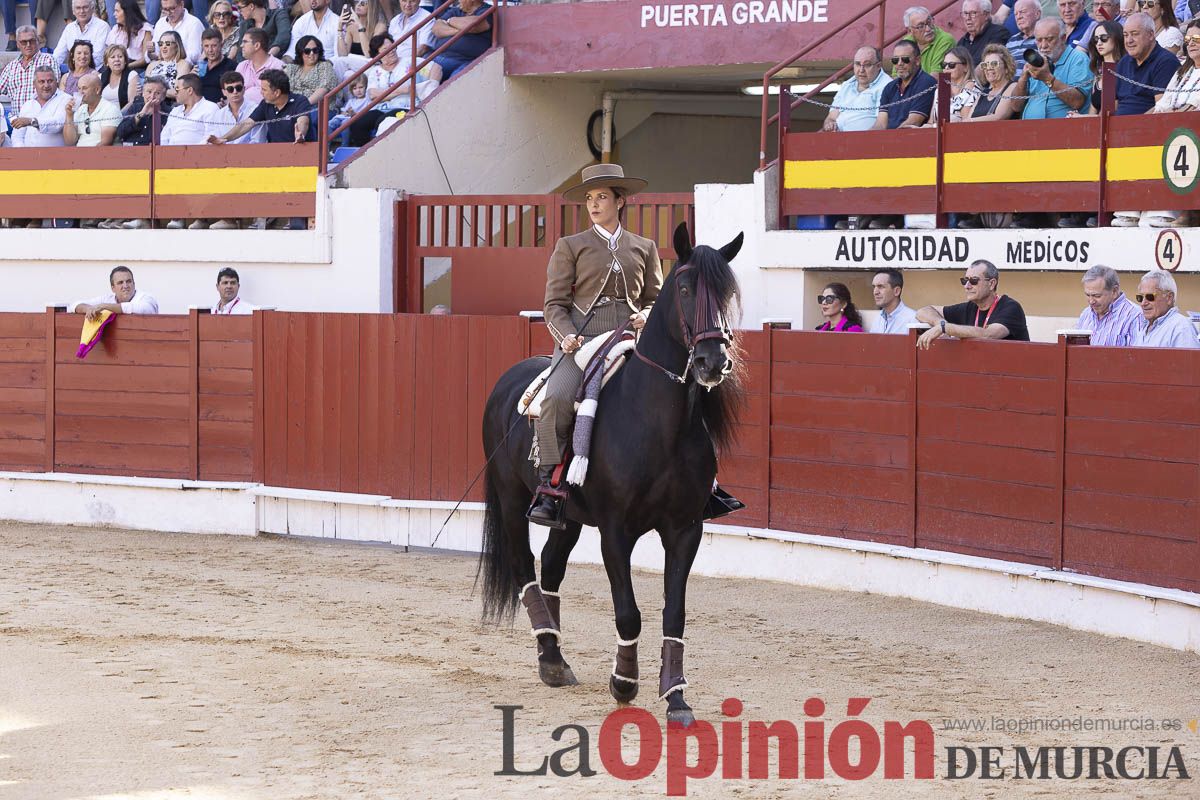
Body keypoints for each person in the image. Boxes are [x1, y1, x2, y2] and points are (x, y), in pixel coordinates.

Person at [527, 163, 661, 527]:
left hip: (629, 336)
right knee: (556, 398)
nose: (594, 204)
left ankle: (702, 483)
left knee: (679, 388)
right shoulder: (570, 245)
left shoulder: (644, 247)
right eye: (589, 198)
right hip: (582, 340)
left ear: (620, 201)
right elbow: (554, 303)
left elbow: (655, 298)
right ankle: (549, 486)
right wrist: (566, 335)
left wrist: (646, 316)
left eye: (602, 197)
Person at [915, 259, 1029, 347]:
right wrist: (940, 323)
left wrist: (945, 328)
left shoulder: (1010, 307)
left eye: (974, 281)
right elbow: (923, 311)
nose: (967, 286)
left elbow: (989, 334)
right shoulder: (969, 307)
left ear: (992, 284)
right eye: (965, 281)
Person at [113, 77, 172, 228]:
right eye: (149, 92)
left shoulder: (169, 112)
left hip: (158, 158)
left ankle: (143, 218)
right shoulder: (135, 107)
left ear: (164, 96)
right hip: (132, 154)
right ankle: (120, 217)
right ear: (143, 93)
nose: (152, 96)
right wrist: (141, 114)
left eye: (157, 93)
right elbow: (121, 132)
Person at [1018, 17, 1090, 119]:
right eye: (1039, 40)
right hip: (1030, 130)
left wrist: (1047, 78)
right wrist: (1023, 78)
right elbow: (1016, 106)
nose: (1043, 46)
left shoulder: (1078, 58)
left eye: (1049, 39)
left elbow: (1077, 102)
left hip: (1065, 129)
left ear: (1063, 38)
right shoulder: (1035, 61)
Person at [873, 40, 937, 130]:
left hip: (913, 140)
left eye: (905, 59)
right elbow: (880, 124)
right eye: (895, 60)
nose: (899, 63)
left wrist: (890, 140)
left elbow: (914, 122)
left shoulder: (926, 83)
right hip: (889, 139)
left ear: (917, 60)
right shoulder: (889, 87)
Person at [822, 46, 889, 132]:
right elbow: (830, 118)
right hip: (839, 140)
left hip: (866, 142)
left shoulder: (887, 86)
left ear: (878, 66)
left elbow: (881, 125)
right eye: (857, 64)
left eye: (867, 65)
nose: (861, 70)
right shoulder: (847, 86)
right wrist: (829, 124)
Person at [1130, 270, 1200, 348]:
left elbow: (1188, 360)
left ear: (1169, 298)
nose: (1143, 303)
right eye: (1140, 297)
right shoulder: (1142, 326)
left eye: (1150, 297)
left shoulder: (1181, 327)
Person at [1075, 265, 1142, 346]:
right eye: (1087, 295)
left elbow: (1137, 356)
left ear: (1114, 291)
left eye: (1097, 296)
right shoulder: (1086, 314)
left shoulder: (1135, 316)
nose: (1091, 301)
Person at [0, 27, 56, 114]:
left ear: (38, 41)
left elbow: (54, 89)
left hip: (41, 119)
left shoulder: (48, 60)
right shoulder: (11, 66)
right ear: (18, 44)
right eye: (23, 42)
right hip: (17, 122)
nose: (28, 45)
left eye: (32, 41)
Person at [11, 65, 70, 148]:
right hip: (27, 157)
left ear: (56, 82)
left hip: (56, 158)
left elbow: (58, 124)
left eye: (50, 81)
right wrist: (22, 152)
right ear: (34, 84)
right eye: (41, 82)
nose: (46, 85)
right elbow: (17, 136)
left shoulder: (66, 99)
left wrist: (32, 121)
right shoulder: (28, 104)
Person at [430, 0, 492, 80]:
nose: (458, 1)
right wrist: (460, 31)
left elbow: (473, 26)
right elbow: (436, 29)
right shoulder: (456, 10)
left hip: (467, 61)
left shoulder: (487, 10)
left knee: (453, 85)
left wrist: (450, 21)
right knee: (419, 78)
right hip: (440, 57)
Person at [72, 266, 159, 320]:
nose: (125, 286)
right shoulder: (107, 299)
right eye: (120, 282)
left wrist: (104, 307)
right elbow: (74, 305)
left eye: (128, 281)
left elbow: (144, 309)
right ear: (113, 288)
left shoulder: (146, 298)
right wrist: (88, 309)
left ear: (134, 283)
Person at [63, 72, 119, 147]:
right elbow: (70, 141)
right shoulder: (81, 109)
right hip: (79, 154)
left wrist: (89, 157)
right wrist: (69, 115)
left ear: (97, 90)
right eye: (79, 89)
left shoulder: (110, 109)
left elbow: (106, 142)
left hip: (99, 155)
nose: (80, 92)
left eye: (84, 88)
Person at [927, 46, 980, 123]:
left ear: (966, 67)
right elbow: (931, 122)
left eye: (951, 65)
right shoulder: (939, 89)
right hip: (939, 133)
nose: (947, 68)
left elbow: (965, 122)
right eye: (944, 65)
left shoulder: (972, 88)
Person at [53, 0, 109, 71]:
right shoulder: (69, 28)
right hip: (74, 73)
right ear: (73, 11)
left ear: (92, 9)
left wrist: (79, 70)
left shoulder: (102, 27)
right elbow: (58, 55)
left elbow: (98, 58)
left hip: (95, 74)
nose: (82, 11)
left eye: (85, 7)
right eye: (78, 8)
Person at [235, 27, 286, 105]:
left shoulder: (278, 67)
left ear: (257, 45)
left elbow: (279, 97)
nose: (241, 45)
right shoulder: (241, 66)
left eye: (245, 42)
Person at [1086, 19, 1127, 114]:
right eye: (1095, 39)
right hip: (1097, 125)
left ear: (1117, 38)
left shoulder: (1124, 69)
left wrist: (1080, 117)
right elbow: (1092, 111)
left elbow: (1110, 113)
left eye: (1104, 38)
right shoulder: (1098, 72)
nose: (1099, 43)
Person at [285, 34, 338, 107]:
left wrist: (303, 106)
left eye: (315, 50)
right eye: (307, 51)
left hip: (318, 109)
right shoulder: (292, 68)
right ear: (300, 52)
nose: (312, 53)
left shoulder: (325, 66)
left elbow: (324, 90)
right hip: (292, 108)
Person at [903, 5, 957, 76]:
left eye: (929, 22)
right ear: (910, 31)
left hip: (940, 86)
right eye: (921, 26)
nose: (928, 29)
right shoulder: (906, 42)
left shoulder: (945, 40)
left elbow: (935, 77)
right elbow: (897, 74)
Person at [154, 0, 207, 65]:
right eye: (165, 9)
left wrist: (172, 61)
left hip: (185, 68)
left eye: (172, 8)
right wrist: (150, 53)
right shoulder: (160, 23)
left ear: (182, 4)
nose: (168, 13)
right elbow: (156, 52)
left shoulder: (194, 23)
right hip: (161, 66)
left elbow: (195, 55)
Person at [958, 0, 1010, 65]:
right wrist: (943, 75)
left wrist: (964, 74)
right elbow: (948, 66)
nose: (968, 18)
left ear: (986, 15)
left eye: (973, 13)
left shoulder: (999, 33)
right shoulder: (962, 41)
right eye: (965, 13)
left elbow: (986, 65)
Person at [105, 0, 153, 70]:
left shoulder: (145, 29)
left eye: (117, 11)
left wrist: (125, 66)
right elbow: (109, 52)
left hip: (137, 67)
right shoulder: (116, 29)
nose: (114, 14)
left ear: (127, 12)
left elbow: (145, 59)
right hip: (118, 66)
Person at [869, 269, 919, 333]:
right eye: (874, 287)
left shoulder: (912, 319)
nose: (875, 292)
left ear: (896, 291)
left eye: (881, 286)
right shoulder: (878, 318)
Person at [147, 31, 193, 99]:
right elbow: (145, 89)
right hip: (147, 101)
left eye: (168, 44)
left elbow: (177, 92)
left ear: (177, 46)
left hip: (168, 103)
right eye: (161, 44)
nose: (164, 47)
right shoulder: (152, 65)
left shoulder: (183, 64)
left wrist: (155, 92)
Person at [197, 27, 238, 103]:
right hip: (199, 108)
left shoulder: (231, 66)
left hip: (219, 109)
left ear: (221, 45)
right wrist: (192, 76)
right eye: (206, 46)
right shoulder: (201, 65)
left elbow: (237, 93)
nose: (210, 50)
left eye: (214, 46)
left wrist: (226, 102)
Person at [99, 44, 140, 112]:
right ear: (107, 62)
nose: (117, 59)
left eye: (120, 57)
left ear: (125, 61)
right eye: (112, 57)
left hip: (123, 116)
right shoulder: (100, 77)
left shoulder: (132, 75)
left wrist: (118, 116)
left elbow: (131, 102)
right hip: (102, 116)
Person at [1004, 0, 1041, 70]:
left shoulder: (1044, 38)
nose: (1018, 17)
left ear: (1037, 14)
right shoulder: (1011, 40)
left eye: (1023, 12)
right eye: (1016, 14)